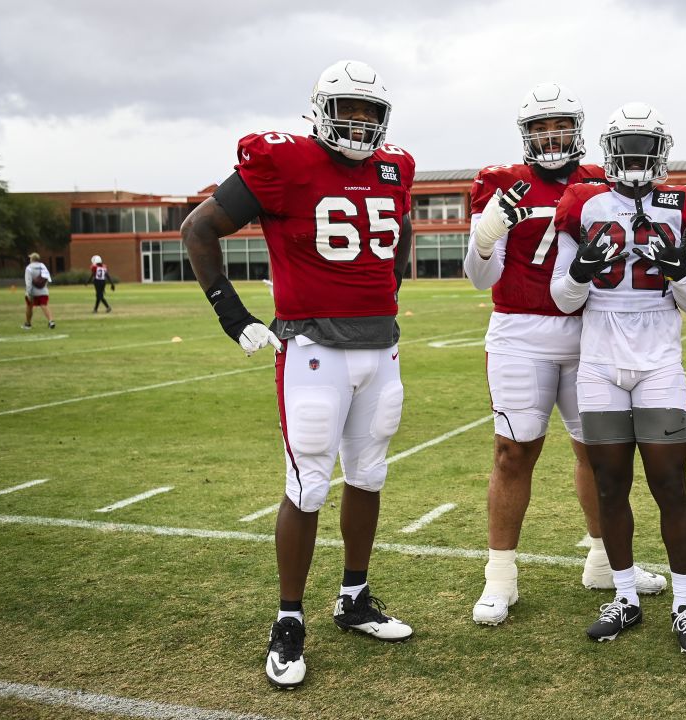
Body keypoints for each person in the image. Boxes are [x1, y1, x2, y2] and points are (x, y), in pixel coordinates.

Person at [181, 60, 416, 690]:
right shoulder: (282, 160)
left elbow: (399, 235)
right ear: (319, 109)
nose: (359, 121)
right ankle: (288, 619)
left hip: (381, 348)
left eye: (370, 111)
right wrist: (233, 317)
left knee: (368, 476)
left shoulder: (395, 167)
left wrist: (379, 293)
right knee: (308, 483)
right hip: (313, 350)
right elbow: (199, 227)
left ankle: (355, 597)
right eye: (348, 108)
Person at [464, 83, 667, 626]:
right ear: (525, 135)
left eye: (559, 126)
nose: (550, 136)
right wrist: (486, 235)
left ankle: (604, 561)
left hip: (588, 332)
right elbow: (479, 277)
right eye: (539, 128)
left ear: (578, 132)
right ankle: (499, 576)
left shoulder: (603, 181)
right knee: (513, 452)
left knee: (598, 453)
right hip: (519, 331)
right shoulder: (502, 184)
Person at [550, 102, 686, 656]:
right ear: (609, 151)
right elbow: (563, 296)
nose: (636, 159)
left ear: (661, 152)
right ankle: (624, 595)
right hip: (599, 359)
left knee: (671, 484)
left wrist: (678, 269)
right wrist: (581, 269)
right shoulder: (582, 201)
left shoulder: (685, 204)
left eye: (646, 148)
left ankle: (685, 604)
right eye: (627, 147)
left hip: (660, 360)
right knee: (609, 484)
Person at [23, 252, 55, 329]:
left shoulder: (29, 268)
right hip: (43, 291)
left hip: (33, 292)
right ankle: (51, 321)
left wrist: (28, 293)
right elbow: (47, 278)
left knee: (29, 307)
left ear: (32, 259)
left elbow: (28, 282)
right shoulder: (43, 266)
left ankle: (28, 323)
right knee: (44, 305)